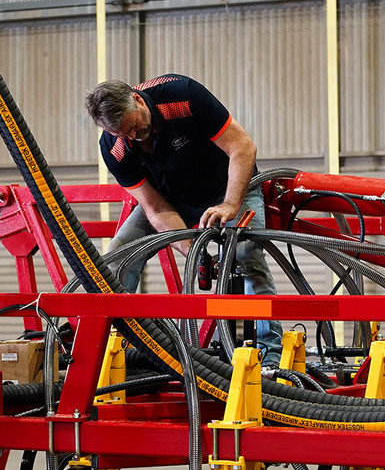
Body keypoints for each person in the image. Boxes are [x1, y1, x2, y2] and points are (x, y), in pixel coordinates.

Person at [85, 75, 282, 365]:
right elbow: (155, 207)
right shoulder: (114, 148)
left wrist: (229, 204)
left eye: (134, 126)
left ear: (138, 100)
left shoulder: (182, 97)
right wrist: (193, 252)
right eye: (123, 134)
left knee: (245, 253)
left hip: (228, 188)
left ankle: (269, 356)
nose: (134, 136)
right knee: (119, 253)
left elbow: (243, 148)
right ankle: (111, 352)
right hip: (172, 199)